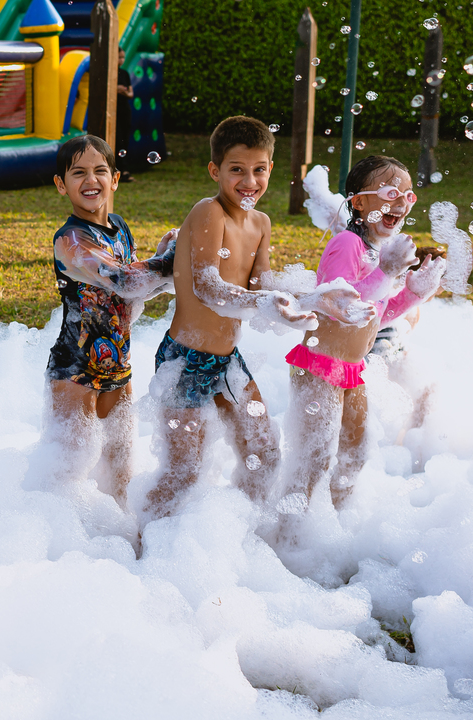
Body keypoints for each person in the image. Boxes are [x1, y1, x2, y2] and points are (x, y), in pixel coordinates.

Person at [143, 117, 350, 522]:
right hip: (184, 361)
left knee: (264, 455)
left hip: (227, 363)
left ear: (271, 169)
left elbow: (262, 283)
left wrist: (318, 299)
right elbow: (207, 285)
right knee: (183, 473)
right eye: (237, 169)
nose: (249, 180)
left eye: (259, 170)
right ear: (215, 171)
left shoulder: (261, 223)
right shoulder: (209, 212)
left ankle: (233, 535)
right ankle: (143, 549)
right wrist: (268, 300)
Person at [278, 156, 445, 519]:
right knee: (315, 458)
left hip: (352, 369)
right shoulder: (347, 245)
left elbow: (376, 315)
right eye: (389, 192)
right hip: (320, 366)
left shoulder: (378, 251)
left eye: (407, 195)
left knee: (356, 451)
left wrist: (414, 293)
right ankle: (289, 538)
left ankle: (335, 529)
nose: (400, 201)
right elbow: (341, 302)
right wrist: (386, 273)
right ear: (359, 202)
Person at [35, 135, 177, 529]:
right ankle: (61, 542)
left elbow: (133, 292)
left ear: (114, 179)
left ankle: (118, 537)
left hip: (118, 363)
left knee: (120, 464)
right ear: (61, 184)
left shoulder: (118, 227)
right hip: (75, 370)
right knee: (68, 473)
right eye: (78, 172)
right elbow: (126, 281)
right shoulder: (70, 240)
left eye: (99, 170)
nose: (90, 179)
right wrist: (168, 261)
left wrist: (162, 258)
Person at [116, 48, 135, 182]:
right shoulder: (109, 73)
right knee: (116, 140)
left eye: (123, 57)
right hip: (113, 110)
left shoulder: (124, 73)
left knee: (124, 140)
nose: (122, 60)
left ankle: (125, 170)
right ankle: (117, 169)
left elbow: (131, 93)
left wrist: (123, 92)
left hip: (124, 109)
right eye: (119, 57)